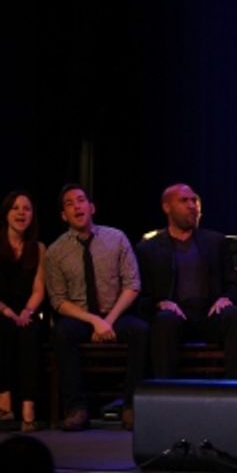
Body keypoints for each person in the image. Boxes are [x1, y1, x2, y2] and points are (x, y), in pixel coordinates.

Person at [44, 184, 147, 431]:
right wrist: (93, 321)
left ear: (92, 207)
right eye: (69, 203)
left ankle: (131, 406)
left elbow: (132, 285)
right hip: (81, 316)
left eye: (81, 200)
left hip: (115, 313)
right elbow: (58, 300)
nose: (77, 206)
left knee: (141, 331)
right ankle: (76, 408)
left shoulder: (116, 238)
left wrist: (107, 320)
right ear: (63, 216)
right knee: (62, 332)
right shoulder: (55, 251)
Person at [135, 183, 237, 380]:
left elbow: (232, 284)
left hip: (210, 313)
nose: (191, 205)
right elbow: (142, 295)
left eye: (194, 200)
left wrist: (225, 298)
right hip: (176, 316)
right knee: (163, 321)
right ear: (166, 207)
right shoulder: (149, 248)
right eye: (184, 200)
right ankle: (165, 397)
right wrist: (159, 303)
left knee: (236, 315)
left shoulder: (215, 241)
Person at [0, 190, 45, 432]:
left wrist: (27, 312)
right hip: (2, 310)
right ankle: (4, 402)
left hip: (26, 311)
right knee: (2, 329)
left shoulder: (38, 248)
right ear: (6, 213)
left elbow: (39, 288)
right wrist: (8, 311)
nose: (21, 213)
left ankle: (29, 406)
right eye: (15, 208)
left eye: (26, 208)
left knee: (30, 333)